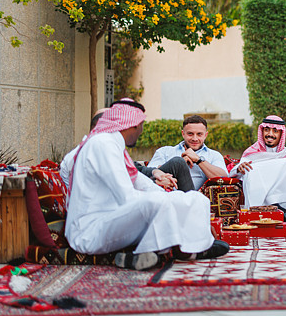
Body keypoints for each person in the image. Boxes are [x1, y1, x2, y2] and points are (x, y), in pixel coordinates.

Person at [65, 99, 229, 270]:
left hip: (113, 219)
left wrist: (174, 198)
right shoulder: (102, 145)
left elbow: (140, 181)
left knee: (192, 198)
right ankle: (150, 253)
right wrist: (166, 202)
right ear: (133, 125)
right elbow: (126, 196)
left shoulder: (113, 145)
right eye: (141, 126)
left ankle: (195, 247)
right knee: (157, 202)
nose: (141, 132)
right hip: (91, 230)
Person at [60, 109, 188, 192]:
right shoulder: (94, 150)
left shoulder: (105, 146)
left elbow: (135, 173)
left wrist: (155, 174)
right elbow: (124, 188)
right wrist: (157, 185)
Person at [231, 115, 286, 230]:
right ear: (262, 131)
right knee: (252, 170)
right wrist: (239, 168)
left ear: (281, 134)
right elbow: (236, 171)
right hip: (265, 198)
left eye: (275, 131)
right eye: (267, 130)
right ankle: (280, 211)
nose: (270, 134)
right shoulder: (251, 152)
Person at [149, 115, 228, 191]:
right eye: (190, 134)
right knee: (177, 162)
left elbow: (223, 179)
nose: (194, 138)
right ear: (183, 134)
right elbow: (148, 174)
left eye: (199, 134)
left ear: (205, 135)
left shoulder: (214, 155)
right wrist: (178, 164)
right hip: (167, 197)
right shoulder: (164, 152)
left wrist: (199, 160)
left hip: (196, 200)